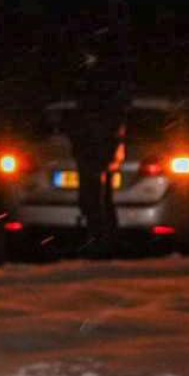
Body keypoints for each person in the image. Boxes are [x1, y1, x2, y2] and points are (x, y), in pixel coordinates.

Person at [67, 45, 132, 255]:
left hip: (96, 152)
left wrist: (106, 151)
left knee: (96, 199)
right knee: (93, 199)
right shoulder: (94, 95)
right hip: (91, 151)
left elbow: (108, 125)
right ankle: (101, 240)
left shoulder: (102, 96)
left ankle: (103, 242)